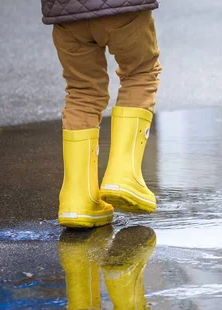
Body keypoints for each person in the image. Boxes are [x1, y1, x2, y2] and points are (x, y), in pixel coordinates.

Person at [41, 0, 162, 228]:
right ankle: (124, 176)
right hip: (123, 9)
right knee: (140, 72)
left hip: (65, 13)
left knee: (81, 91)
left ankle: (77, 200)